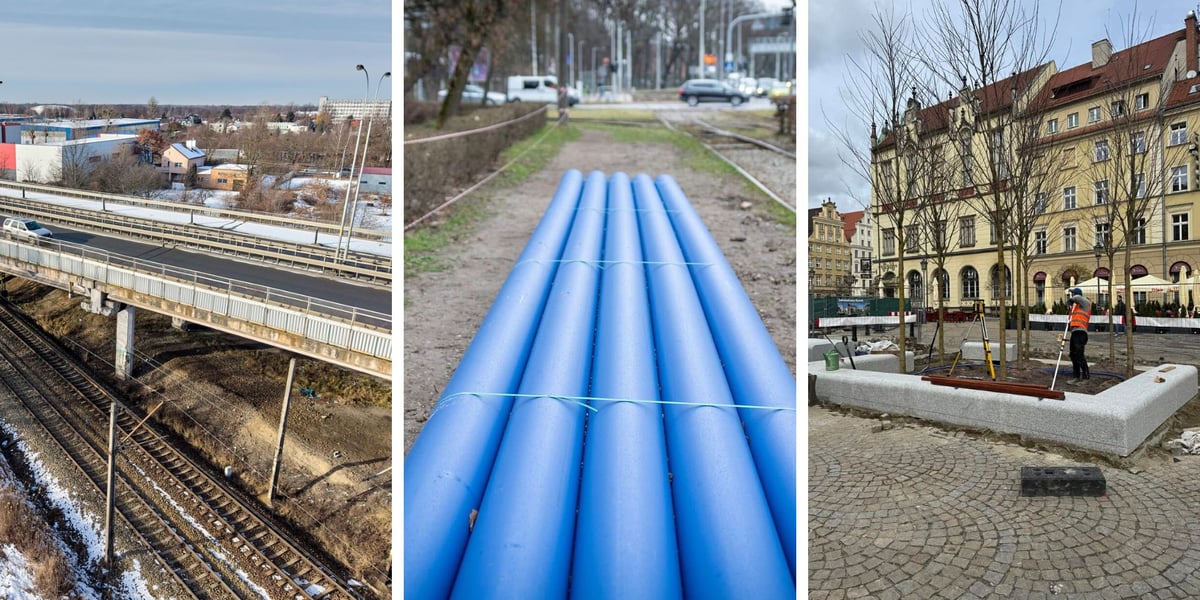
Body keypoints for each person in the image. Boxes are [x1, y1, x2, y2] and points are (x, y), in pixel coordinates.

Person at [1066, 287, 1092, 385]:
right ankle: (1076, 376)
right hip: (1074, 332)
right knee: (1073, 355)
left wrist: (1071, 300)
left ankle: (1085, 377)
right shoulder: (1075, 307)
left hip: (1081, 333)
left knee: (1079, 355)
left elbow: (1077, 298)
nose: (1072, 295)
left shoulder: (1085, 304)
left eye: (1073, 294)